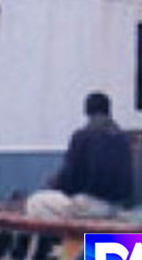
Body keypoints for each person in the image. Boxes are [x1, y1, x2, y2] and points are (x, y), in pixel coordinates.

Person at [26, 91, 135, 219]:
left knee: (35, 202)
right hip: (116, 206)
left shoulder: (83, 136)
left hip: (91, 205)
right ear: (108, 110)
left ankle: (64, 231)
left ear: (87, 111)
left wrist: (53, 184)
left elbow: (71, 179)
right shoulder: (122, 138)